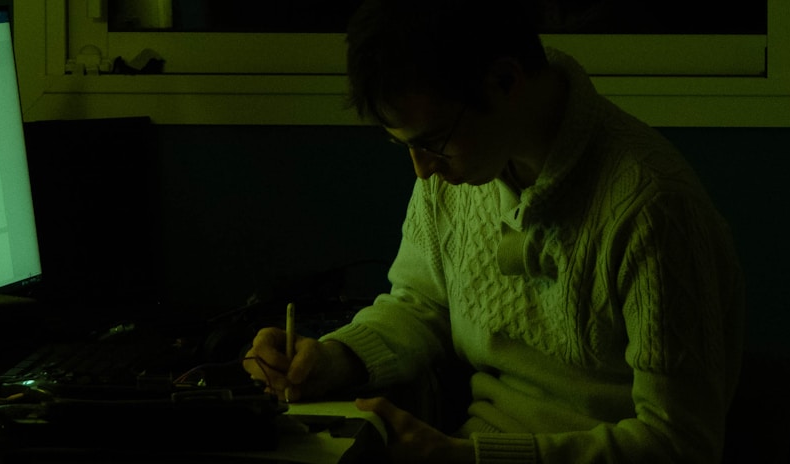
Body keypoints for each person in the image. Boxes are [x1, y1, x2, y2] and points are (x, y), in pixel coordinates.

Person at [242, 0, 745, 463]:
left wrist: (477, 458)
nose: (422, 170)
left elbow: (681, 444)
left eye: (432, 141)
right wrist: (334, 357)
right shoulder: (464, 168)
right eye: (405, 146)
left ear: (505, 81)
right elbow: (422, 305)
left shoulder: (651, 208)